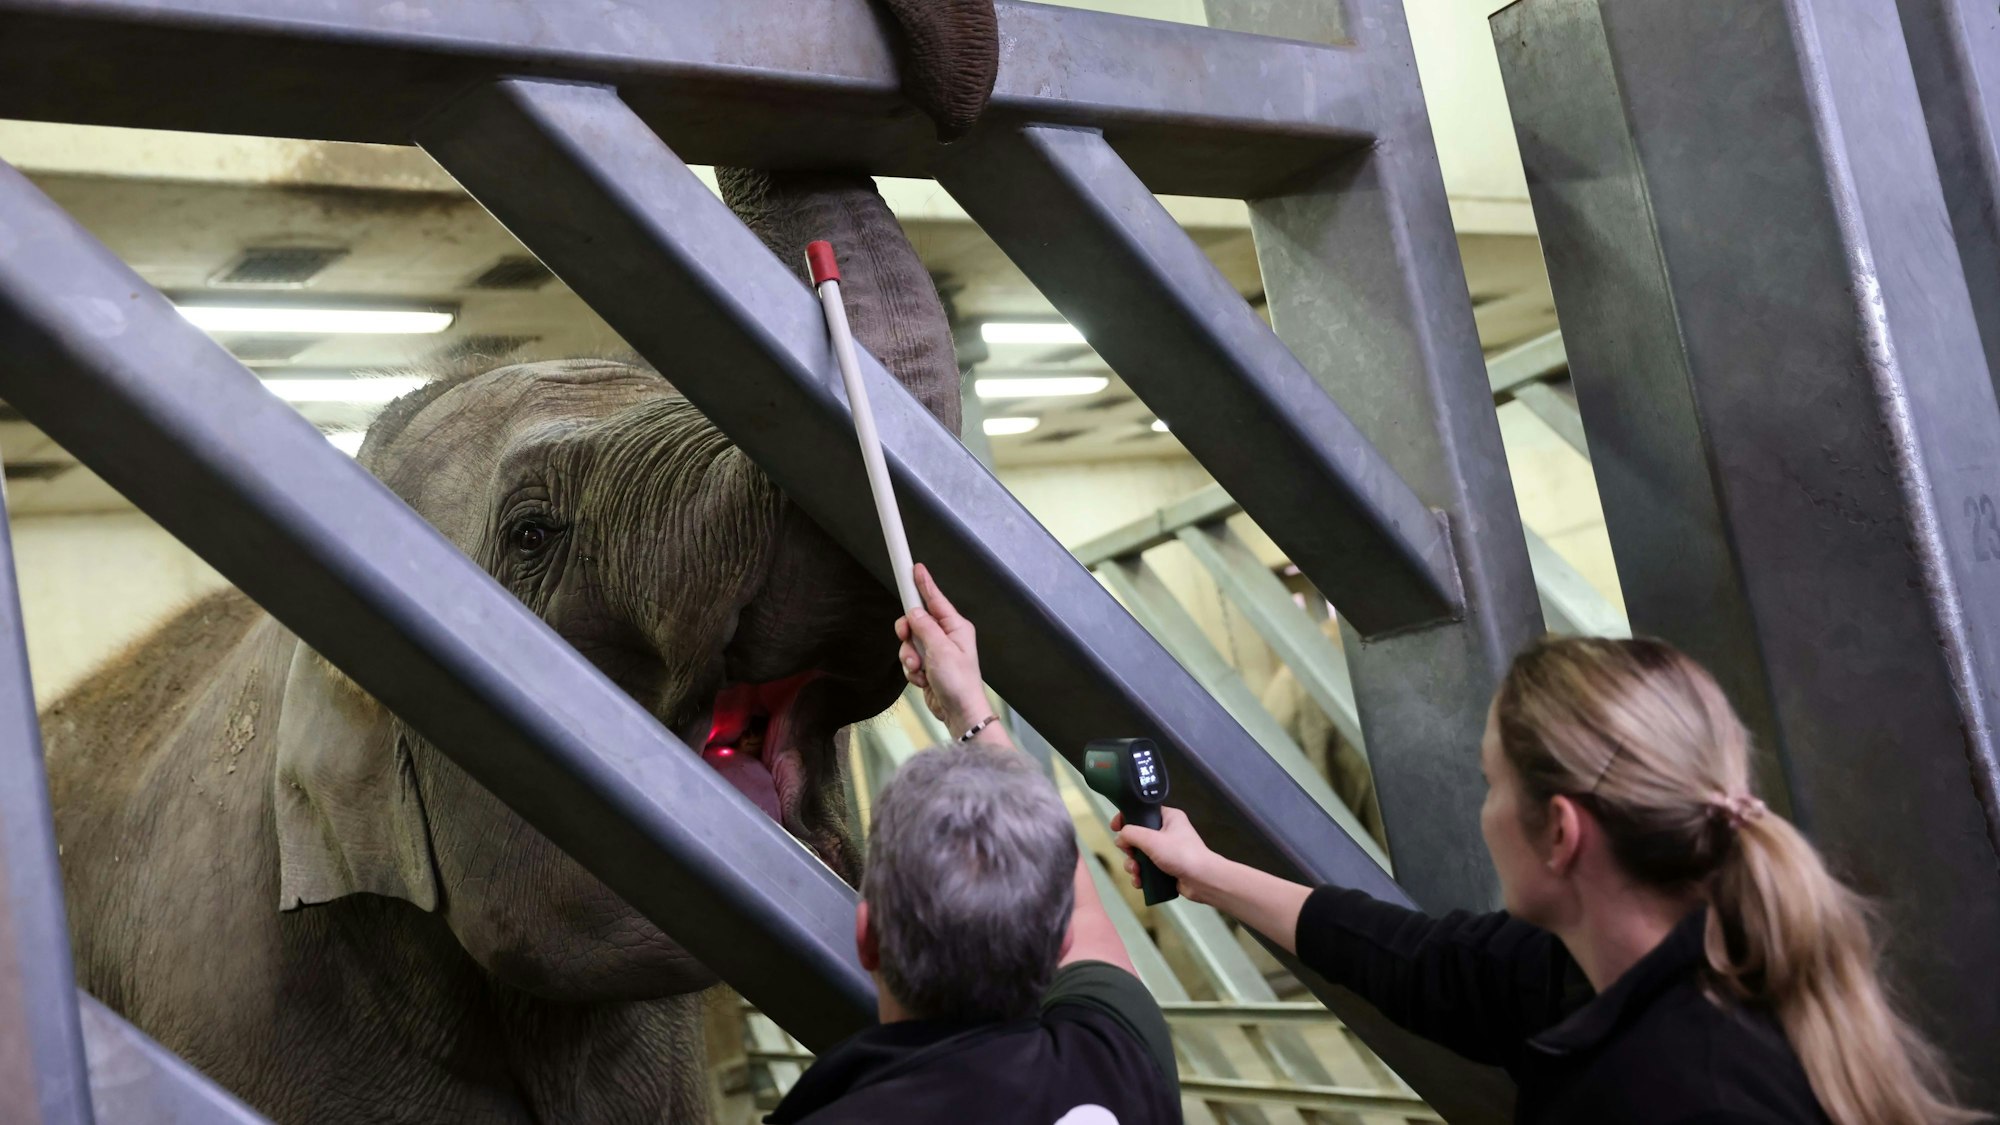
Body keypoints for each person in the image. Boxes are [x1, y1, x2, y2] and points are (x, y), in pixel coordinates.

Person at [1113, 634, 1983, 1125]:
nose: (1486, 810)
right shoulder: (1684, 960)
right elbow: (1421, 960)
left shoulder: (1656, 1092)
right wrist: (1209, 874)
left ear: (1561, 831)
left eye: (1492, 783)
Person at [764, 563, 1181, 1125]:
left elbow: (1072, 904)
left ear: (867, 939)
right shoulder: (1118, 1058)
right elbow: (1084, 911)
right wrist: (970, 707)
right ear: (1055, 943)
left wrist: (963, 704)